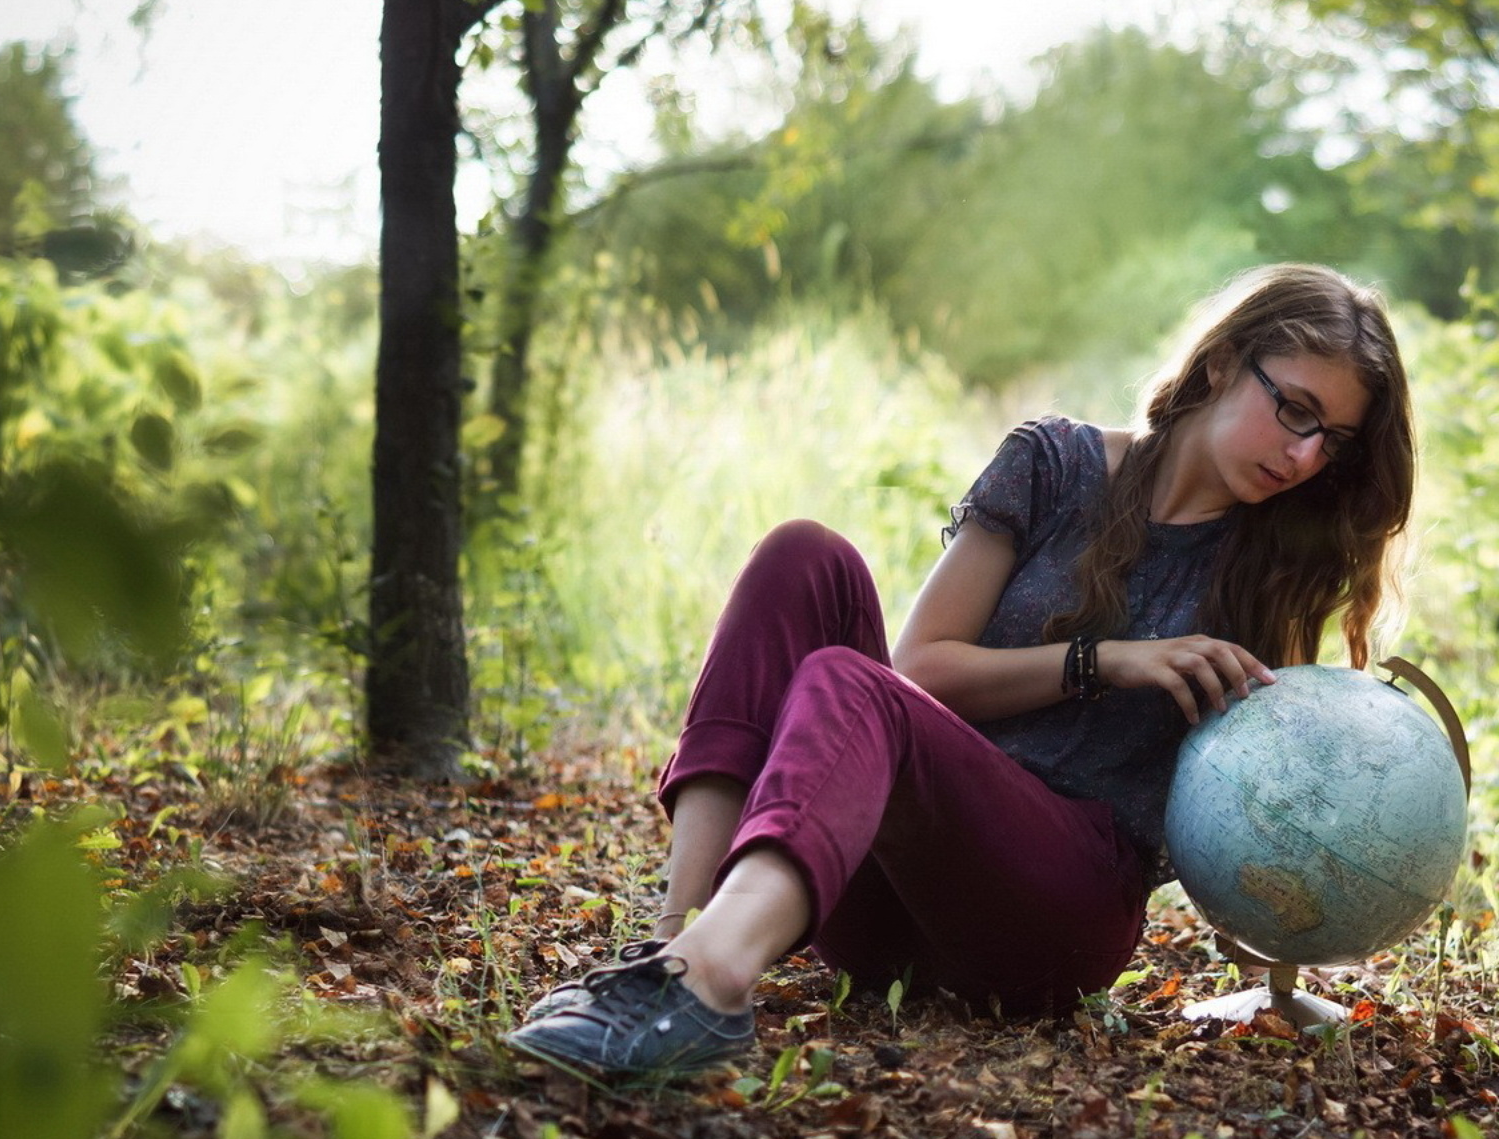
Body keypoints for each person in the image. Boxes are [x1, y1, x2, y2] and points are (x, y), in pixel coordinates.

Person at [504, 263, 1417, 1082]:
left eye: (1331, 441)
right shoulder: (1056, 466)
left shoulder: (1279, 568)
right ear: (1223, 363)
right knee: (803, 558)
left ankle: (710, 982)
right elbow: (922, 673)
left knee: (853, 686)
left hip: (1049, 913)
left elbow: (1271, 790)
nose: (1303, 456)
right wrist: (1109, 663)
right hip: (878, 883)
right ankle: (672, 951)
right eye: (1294, 410)